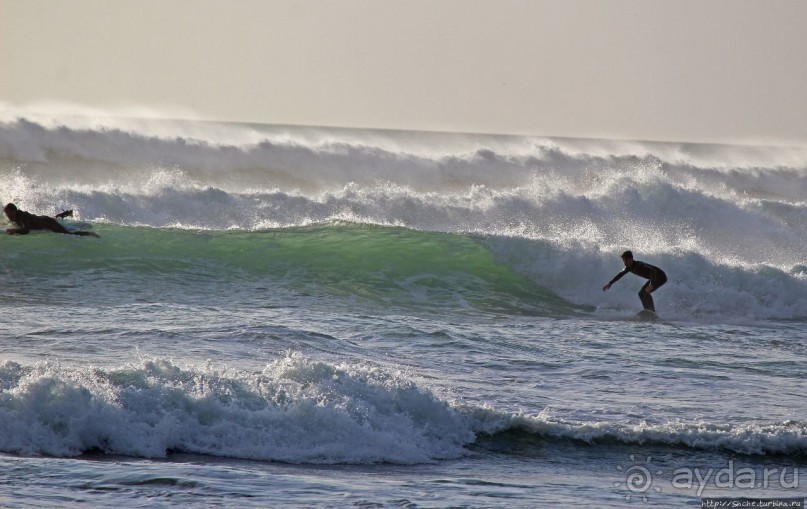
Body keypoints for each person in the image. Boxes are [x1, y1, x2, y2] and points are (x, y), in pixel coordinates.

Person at [603, 250, 667, 313]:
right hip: (654, 278)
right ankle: (647, 311)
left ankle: (652, 312)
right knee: (641, 293)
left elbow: (653, 271)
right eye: (623, 260)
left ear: (631, 259)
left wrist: (651, 285)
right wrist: (610, 283)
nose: (625, 262)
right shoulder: (629, 268)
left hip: (660, 277)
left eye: (626, 260)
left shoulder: (639, 265)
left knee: (645, 292)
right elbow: (620, 274)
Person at [4, 203, 98, 237]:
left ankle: (89, 233)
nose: (7, 215)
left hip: (49, 223)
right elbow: (13, 222)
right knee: (56, 220)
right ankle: (66, 214)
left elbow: (26, 230)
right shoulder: (15, 217)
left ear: (14, 211)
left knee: (69, 233)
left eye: (8, 213)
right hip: (44, 219)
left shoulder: (23, 217)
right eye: (6, 213)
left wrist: (14, 230)